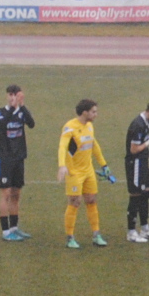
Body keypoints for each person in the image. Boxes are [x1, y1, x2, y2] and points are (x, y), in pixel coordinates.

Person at [58, 98, 112, 248]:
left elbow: (94, 145)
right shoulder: (70, 128)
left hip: (88, 171)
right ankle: (70, 237)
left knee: (92, 200)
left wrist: (104, 164)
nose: (96, 114)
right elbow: (62, 146)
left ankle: (96, 235)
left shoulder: (89, 126)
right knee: (75, 202)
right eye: (93, 112)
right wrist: (62, 166)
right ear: (84, 112)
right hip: (74, 173)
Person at [0, 84, 37, 241]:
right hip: (4, 158)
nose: (13, 98)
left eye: (16, 95)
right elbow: (1, 126)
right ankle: (6, 232)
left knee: (16, 194)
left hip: (19, 158)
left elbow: (31, 124)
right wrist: (12, 108)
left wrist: (22, 106)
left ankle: (14, 227)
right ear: (7, 96)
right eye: (11, 95)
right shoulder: (0, 112)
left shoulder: (21, 112)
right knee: (5, 193)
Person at [125, 100, 149, 243]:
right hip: (135, 163)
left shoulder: (147, 122)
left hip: (142, 162)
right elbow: (134, 149)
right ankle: (131, 232)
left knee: (146, 193)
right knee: (136, 196)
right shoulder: (138, 125)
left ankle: (144, 228)